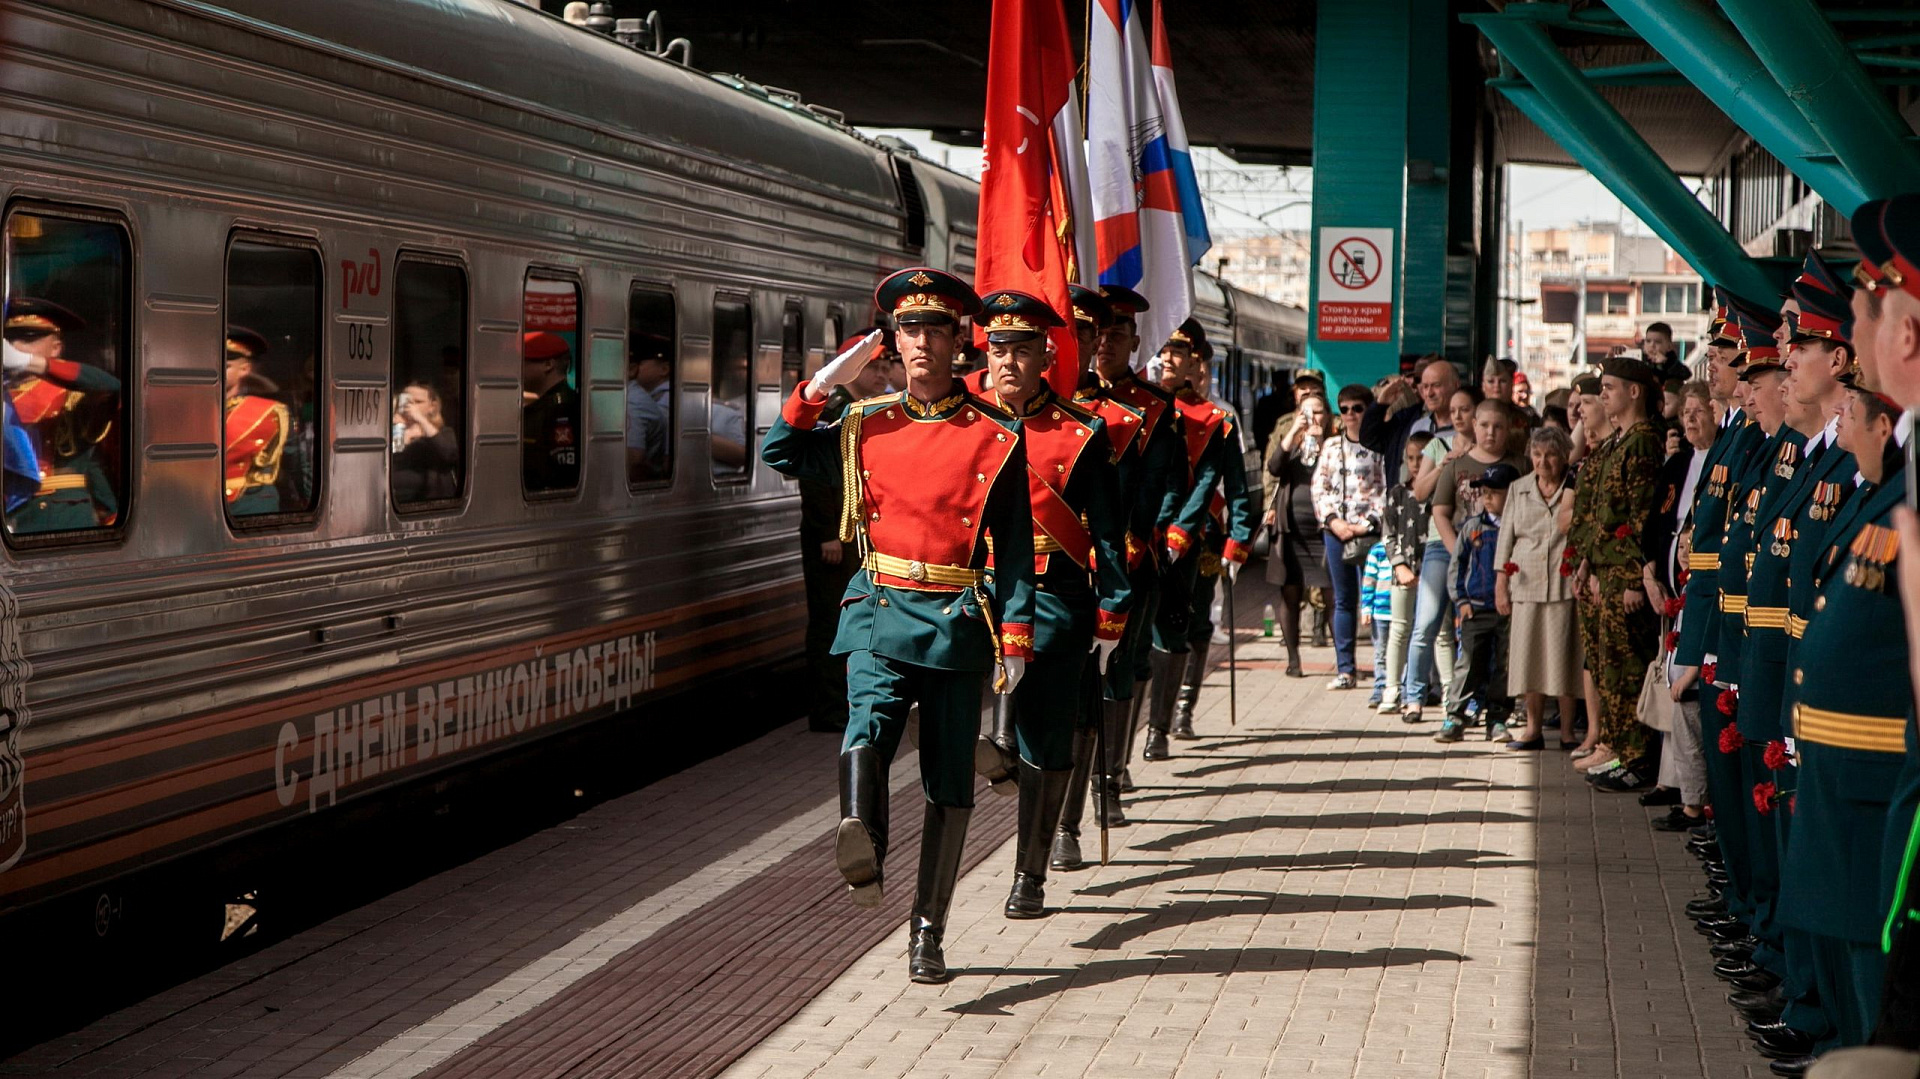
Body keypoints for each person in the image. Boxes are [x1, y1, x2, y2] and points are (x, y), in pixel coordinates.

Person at [759, 267, 1036, 984]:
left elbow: (1013, 550)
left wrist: (1015, 638)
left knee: (949, 781)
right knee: (868, 723)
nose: (918, 343)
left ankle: (926, 930)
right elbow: (780, 452)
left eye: (932, 330)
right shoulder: (863, 423)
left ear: (957, 344)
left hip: (952, 621)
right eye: (907, 331)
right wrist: (822, 384)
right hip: (878, 608)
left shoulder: (996, 436)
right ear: (894, 345)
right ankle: (863, 836)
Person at [966, 289, 1130, 920]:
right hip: (972, 590)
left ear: (1046, 355)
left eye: (1021, 348)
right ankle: (995, 747)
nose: (1007, 360)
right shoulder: (966, 421)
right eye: (997, 347)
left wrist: (1111, 613)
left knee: (1048, 740)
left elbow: (1108, 533)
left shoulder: (1080, 432)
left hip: (1052, 598)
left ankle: (1028, 872)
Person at [1148, 321, 1254, 752]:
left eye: (1178, 351)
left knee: (1191, 620)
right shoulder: (1148, 408)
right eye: (1164, 349)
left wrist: (1240, 539)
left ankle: (1181, 711)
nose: (1168, 358)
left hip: (1203, 540)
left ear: (1197, 362)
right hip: (1149, 534)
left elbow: (1235, 485)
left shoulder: (1218, 421)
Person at [1573, 354, 1664, 790]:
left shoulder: (1644, 440)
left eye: (1609, 387)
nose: (1602, 393)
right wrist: (1588, 562)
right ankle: (1620, 749)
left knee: (1628, 667)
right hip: (1605, 569)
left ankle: (1638, 758)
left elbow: (1640, 516)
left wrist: (1631, 578)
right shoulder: (1623, 441)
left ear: (1634, 392)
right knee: (1611, 667)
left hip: (1622, 574)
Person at [797, 332, 893, 733]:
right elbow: (815, 476)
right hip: (831, 537)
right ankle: (828, 710)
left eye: (886, 365)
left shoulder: (866, 409)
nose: (881, 372)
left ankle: (846, 703)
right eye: (872, 365)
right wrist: (826, 534)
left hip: (852, 535)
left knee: (852, 619)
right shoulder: (834, 411)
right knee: (829, 622)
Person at [1646, 382, 1717, 827]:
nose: (1689, 420)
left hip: (1701, 594)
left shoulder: (1722, 459)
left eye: (1698, 412)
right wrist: (1650, 573)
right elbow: (1656, 521)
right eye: (1685, 413)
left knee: (1687, 692)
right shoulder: (1679, 463)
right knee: (1670, 683)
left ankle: (1695, 798)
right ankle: (1672, 780)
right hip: (1671, 590)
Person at [1494, 425, 1581, 751]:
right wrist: (1501, 582)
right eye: (1537, 454)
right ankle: (1532, 730)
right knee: (1527, 658)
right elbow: (1506, 539)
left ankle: (1569, 732)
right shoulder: (1518, 488)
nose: (1543, 462)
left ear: (1564, 458)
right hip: (1526, 582)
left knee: (1564, 659)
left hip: (1563, 581)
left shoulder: (1574, 489)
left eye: (1551, 455)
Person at [3, 297, 123, 532]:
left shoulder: (72, 397)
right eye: (9, 339)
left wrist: (28, 362)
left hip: (58, 517)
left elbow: (110, 386)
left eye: (28, 338)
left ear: (56, 348)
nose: (14, 346)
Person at [1311, 382, 1387, 690]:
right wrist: (1333, 521)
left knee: (1376, 601)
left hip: (1369, 534)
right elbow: (1320, 487)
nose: (1351, 414)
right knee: (1343, 600)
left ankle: (1383, 672)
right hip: (1337, 531)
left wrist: (1367, 523)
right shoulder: (1331, 447)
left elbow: (1386, 488)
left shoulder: (1380, 446)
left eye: (1358, 408)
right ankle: (1345, 669)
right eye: (1344, 409)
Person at [1438, 462, 1515, 742]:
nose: (1488, 497)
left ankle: (1497, 719)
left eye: (1495, 492)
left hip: (1508, 610)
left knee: (1503, 666)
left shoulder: (1516, 527)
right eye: (1485, 492)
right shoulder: (1472, 528)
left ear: (1513, 493)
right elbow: (1456, 566)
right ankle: (1455, 717)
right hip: (1475, 607)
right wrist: (1461, 600)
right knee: (1469, 663)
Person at [1262, 391, 1332, 677]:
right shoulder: (1293, 443)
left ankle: (1345, 662)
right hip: (1291, 530)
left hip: (1325, 530)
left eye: (1317, 412)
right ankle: (1293, 660)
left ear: (1327, 416)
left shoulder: (1334, 445)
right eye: (1306, 412)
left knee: (1332, 594)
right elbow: (1274, 466)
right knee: (1290, 593)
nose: (1312, 418)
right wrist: (1294, 431)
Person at [1378, 431, 1434, 714]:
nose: (1415, 463)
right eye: (1410, 458)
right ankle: (1391, 686)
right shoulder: (1397, 493)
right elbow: (1387, 534)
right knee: (1399, 629)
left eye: (1421, 457)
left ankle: (1436, 687)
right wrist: (1398, 564)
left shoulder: (1438, 493)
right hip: (1403, 571)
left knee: (1435, 632)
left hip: (1432, 572)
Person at [221, 327, 290, 516]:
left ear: (244, 369)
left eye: (225, 365)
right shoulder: (194, 408)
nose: (216, 370)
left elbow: (293, 465)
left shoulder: (269, 413)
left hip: (248, 502)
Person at [521, 331, 581, 491]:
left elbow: (562, 474)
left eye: (523, 362)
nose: (516, 369)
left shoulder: (561, 409)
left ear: (548, 364)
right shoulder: (548, 406)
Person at [392, 381, 460, 503]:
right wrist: (401, 431)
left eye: (418, 402)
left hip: (428, 503)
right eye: (407, 400)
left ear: (432, 407)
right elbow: (390, 460)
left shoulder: (443, 433)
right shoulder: (397, 430)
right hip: (399, 501)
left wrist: (421, 420)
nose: (411, 406)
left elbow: (450, 453)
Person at [625, 331, 673, 483]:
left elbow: (634, 459)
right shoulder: (648, 398)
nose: (639, 368)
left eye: (643, 363)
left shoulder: (665, 403)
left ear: (664, 369)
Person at [1359, 536, 1394, 708]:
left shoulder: (1408, 549)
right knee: (1381, 652)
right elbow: (1368, 581)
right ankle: (1379, 687)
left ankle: (1398, 687)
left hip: (1400, 613)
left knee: (1400, 654)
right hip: (1380, 612)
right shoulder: (1377, 550)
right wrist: (1366, 609)